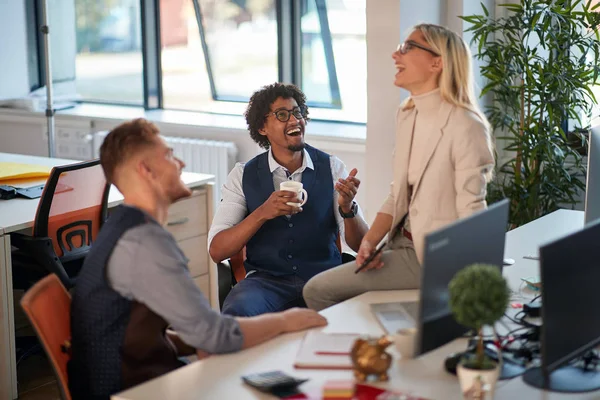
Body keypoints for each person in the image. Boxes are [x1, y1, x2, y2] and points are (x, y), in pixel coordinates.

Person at [68, 118, 327, 400]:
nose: (180, 163)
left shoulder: (124, 228)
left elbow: (126, 328)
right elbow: (215, 336)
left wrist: (193, 340)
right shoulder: (146, 242)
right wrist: (286, 321)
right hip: (130, 391)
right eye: (168, 155)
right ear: (146, 170)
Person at [303, 23, 495, 311]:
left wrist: (470, 283)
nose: (396, 55)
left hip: (430, 259)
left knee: (316, 290)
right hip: (397, 244)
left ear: (437, 62)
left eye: (408, 47)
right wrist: (369, 242)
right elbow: (398, 195)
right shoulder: (408, 114)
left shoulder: (466, 125)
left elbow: (472, 212)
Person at [209, 82, 369, 317]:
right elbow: (217, 250)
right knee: (238, 313)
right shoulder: (242, 175)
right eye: (282, 115)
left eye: (298, 112)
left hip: (323, 278)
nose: (295, 120)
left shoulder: (333, 168)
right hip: (265, 283)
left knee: (360, 314)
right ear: (262, 127)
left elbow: (362, 245)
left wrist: (348, 209)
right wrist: (262, 212)